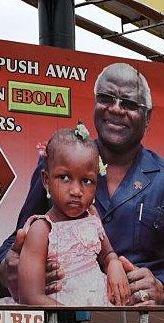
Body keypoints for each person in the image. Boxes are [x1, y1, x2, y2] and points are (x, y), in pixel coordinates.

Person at [0, 62, 164, 307]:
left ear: (148, 117)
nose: (116, 109)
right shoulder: (58, 167)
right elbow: (13, 246)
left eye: (129, 104)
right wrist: (9, 267)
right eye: (107, 98)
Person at [17, 125, 130, 307]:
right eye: (65, 178)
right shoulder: (41, 230)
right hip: (60, 320)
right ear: (46, 180)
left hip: (100, 310)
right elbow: (30, 297)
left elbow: (107, 253)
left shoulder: (92, 217)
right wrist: (74, 319)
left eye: (87, 181)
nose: (76, 191)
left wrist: (114, 265)